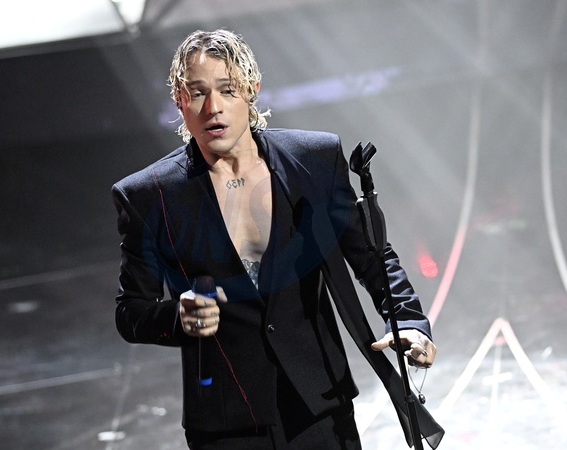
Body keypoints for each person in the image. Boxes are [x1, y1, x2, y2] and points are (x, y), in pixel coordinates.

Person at [112, 29, 442, 449]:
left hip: (321, 404)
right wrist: (178, 317)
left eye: (227, 89)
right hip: (226, 422)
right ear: (179, 100)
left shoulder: (314, 159)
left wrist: (410, 322)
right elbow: (131, 311)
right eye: (196, 93)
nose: (212, 107)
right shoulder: (149, 194)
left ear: (251, 89)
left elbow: (372, 257)